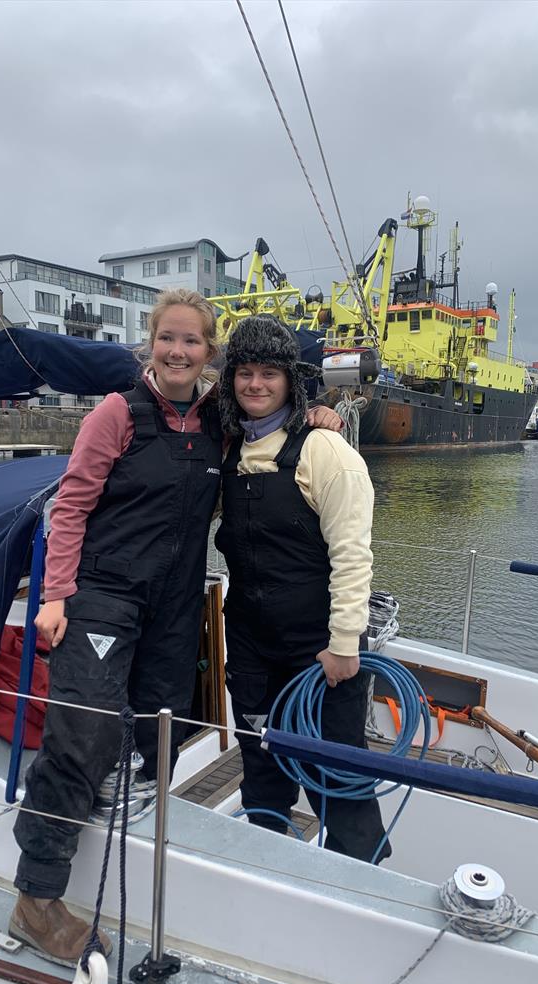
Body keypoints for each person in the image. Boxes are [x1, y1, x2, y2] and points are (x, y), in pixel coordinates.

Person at [10, 292, 341, 963]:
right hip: (105, 594)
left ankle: (118, 811)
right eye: (168, 339)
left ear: (208, 352)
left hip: (175, 601)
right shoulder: (117, 414)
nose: (179, 352)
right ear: (151, 343)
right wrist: (54, 597)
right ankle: (36, 896)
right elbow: (70, 506)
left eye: (192, 342)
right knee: (82, 731)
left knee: (161, 719)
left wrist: (317, 416)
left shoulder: (218, 417)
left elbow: (267, 418)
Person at [214, 315, 390, 863]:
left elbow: (352, 556)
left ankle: (363, 883)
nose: (256, 385)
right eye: (245, 373)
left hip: (319, 651)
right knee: (262, 769)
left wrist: (343, 644)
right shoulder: (229, 450)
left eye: (270, 373)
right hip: (249, 648)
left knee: (338, 777)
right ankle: (267, 866)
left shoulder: (326, 452)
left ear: (291, 379)